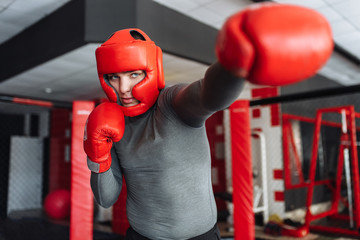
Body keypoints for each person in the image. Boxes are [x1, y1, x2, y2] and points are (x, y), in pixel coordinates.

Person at [84, 3, 333, 240]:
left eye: (133, 74)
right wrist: (97, 156)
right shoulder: (108, 122)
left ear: (152, 71)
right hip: (141, 236)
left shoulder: (171, 104)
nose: (124, 88)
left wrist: (235, 64)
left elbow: (208, 95)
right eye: (113, 77)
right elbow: (106, 198)